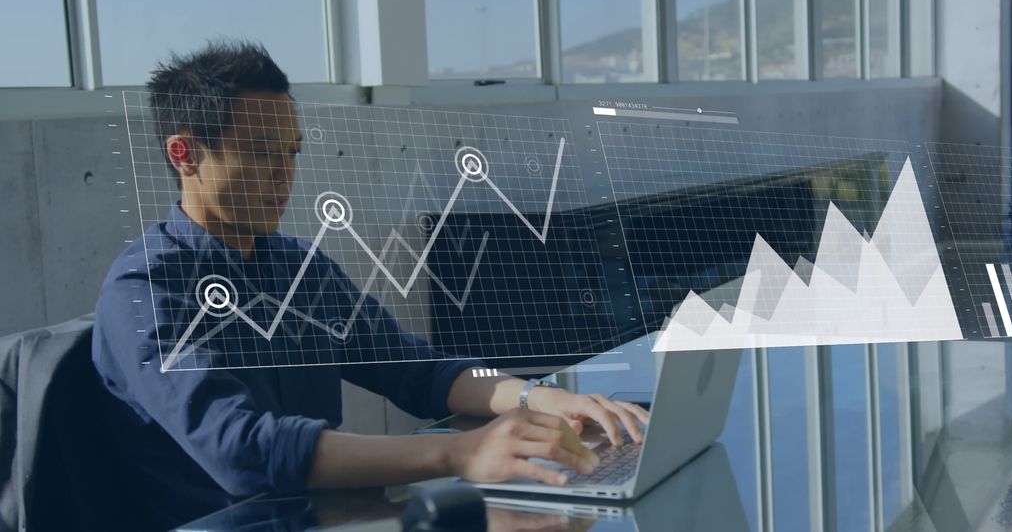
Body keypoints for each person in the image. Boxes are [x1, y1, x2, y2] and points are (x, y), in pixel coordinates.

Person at [91, 40, 648, 530]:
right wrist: (459, 453)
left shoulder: (295, 266)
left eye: (292, 152)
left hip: (325, 515)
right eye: (262, 152)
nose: (284, 177)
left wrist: (536, 395)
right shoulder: (144, 289)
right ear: (184, 155)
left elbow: (418, 367)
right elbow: (241, 450)